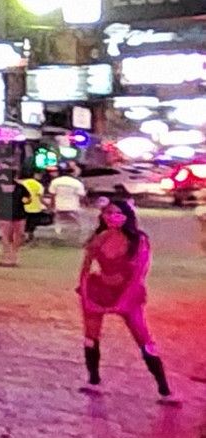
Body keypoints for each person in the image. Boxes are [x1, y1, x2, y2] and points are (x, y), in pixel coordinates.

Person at [77, 194, 172, 398]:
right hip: (100, 288)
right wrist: (84, 291)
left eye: (117, 213)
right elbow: (85, 267)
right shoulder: (98, 238)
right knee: (90, 337)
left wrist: (124, 300)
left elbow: (140, 272)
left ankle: (164, 388)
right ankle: (93, 379)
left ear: (127, 216)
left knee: (143, 338)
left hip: (128, 293)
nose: (111, 216)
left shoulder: (139, 240)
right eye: (108, 212)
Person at [0, 170, 28, 264]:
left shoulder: (1, 187)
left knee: (6, 236)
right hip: (18, 213)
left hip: (5, 214)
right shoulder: (20, 187)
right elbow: (27, 198)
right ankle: (13, 255)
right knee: (17, 235)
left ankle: (7, 256)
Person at [48, 164, 85, 244]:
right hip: (73, 206)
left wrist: (51, 206)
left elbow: (52, 195)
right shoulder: (77, 183)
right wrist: (82, 204)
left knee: (58, 222)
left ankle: (58, 237)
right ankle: (75, 238)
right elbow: (81, 196)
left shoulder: (55, 182)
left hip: (59, 206)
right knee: (76, 223)